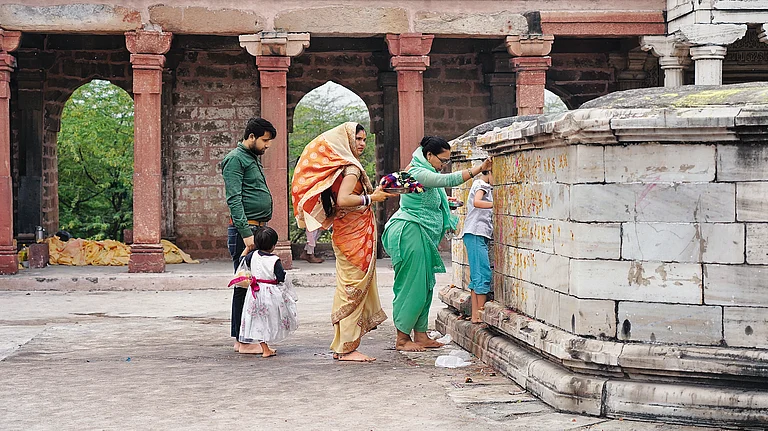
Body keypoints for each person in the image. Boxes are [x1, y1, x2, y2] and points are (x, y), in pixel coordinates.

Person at [291, 122, 394, 362]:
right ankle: (347, 347)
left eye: (364, 140)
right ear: (345, 140)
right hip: (353, 235)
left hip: (347, 232)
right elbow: (344, 199)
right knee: (353, 289)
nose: (362, 144)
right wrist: (372, 197)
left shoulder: (340, 166)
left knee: (348, 287)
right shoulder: (351, 168)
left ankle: (342, 344)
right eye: (357, 139)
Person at [382, 136, 492, 351]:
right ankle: (402, 339)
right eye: (442, 160)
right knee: (411, 286)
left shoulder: (428, 172)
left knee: (425, 285)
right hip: (409, 230)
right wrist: (479, 169)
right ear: (429, 155)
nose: (444, 165)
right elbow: (447, 181)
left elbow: (430, 194)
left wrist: (445, 202)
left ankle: (421, 335)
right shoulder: (417, 171)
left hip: (420, 232)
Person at [221, 117, 276, 354]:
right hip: (246, 231)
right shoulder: (235, 159)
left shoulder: (251, 158)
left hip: (257, 228)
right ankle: (242, 341)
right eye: (265, 140)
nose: (267, 145)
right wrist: (246, 234)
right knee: (244, 284)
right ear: (251, 137)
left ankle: (251, 337)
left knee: (258, 286)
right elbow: (234, 199)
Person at [238, 227, 298, 357]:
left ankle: (265, 348)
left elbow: (241, 261)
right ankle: (266, 349)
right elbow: (280, 277)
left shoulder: (252, 256)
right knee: (270, 319)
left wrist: (247, 249)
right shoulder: (274, 260)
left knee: (258, 321)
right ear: (273, 245)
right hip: (270, 293)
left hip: (255, 293)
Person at [460, 168, 493, 324]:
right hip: (475, 233)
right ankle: (480, 314)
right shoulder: (482, 184)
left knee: (477, 275)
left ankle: (476, 315)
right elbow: (477, 202)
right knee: (482, 273)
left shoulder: (481, 184)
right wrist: (496, 204)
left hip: (475, 234)